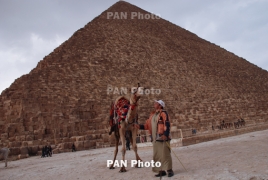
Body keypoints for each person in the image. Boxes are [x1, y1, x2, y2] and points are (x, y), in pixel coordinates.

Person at [137, 100, 174, 177]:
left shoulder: (164, 113)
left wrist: (165, 134)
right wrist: (139, 126)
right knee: (157, 155)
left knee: (165, 154)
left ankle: (169, 170)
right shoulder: (152, 115)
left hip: (163, 137)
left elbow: (167, 123)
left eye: (156, 103)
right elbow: (147, 125)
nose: (154, 104)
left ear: (160, 105)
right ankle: (161, 171)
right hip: (155, 139)